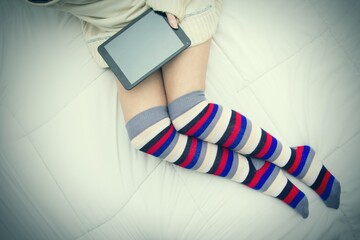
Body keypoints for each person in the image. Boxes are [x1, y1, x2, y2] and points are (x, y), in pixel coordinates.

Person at [26, 0, 340, 219]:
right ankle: (254, 174)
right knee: (150, 137)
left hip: (172, 6)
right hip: (121, 33)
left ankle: (294, 159)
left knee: (191, 113)